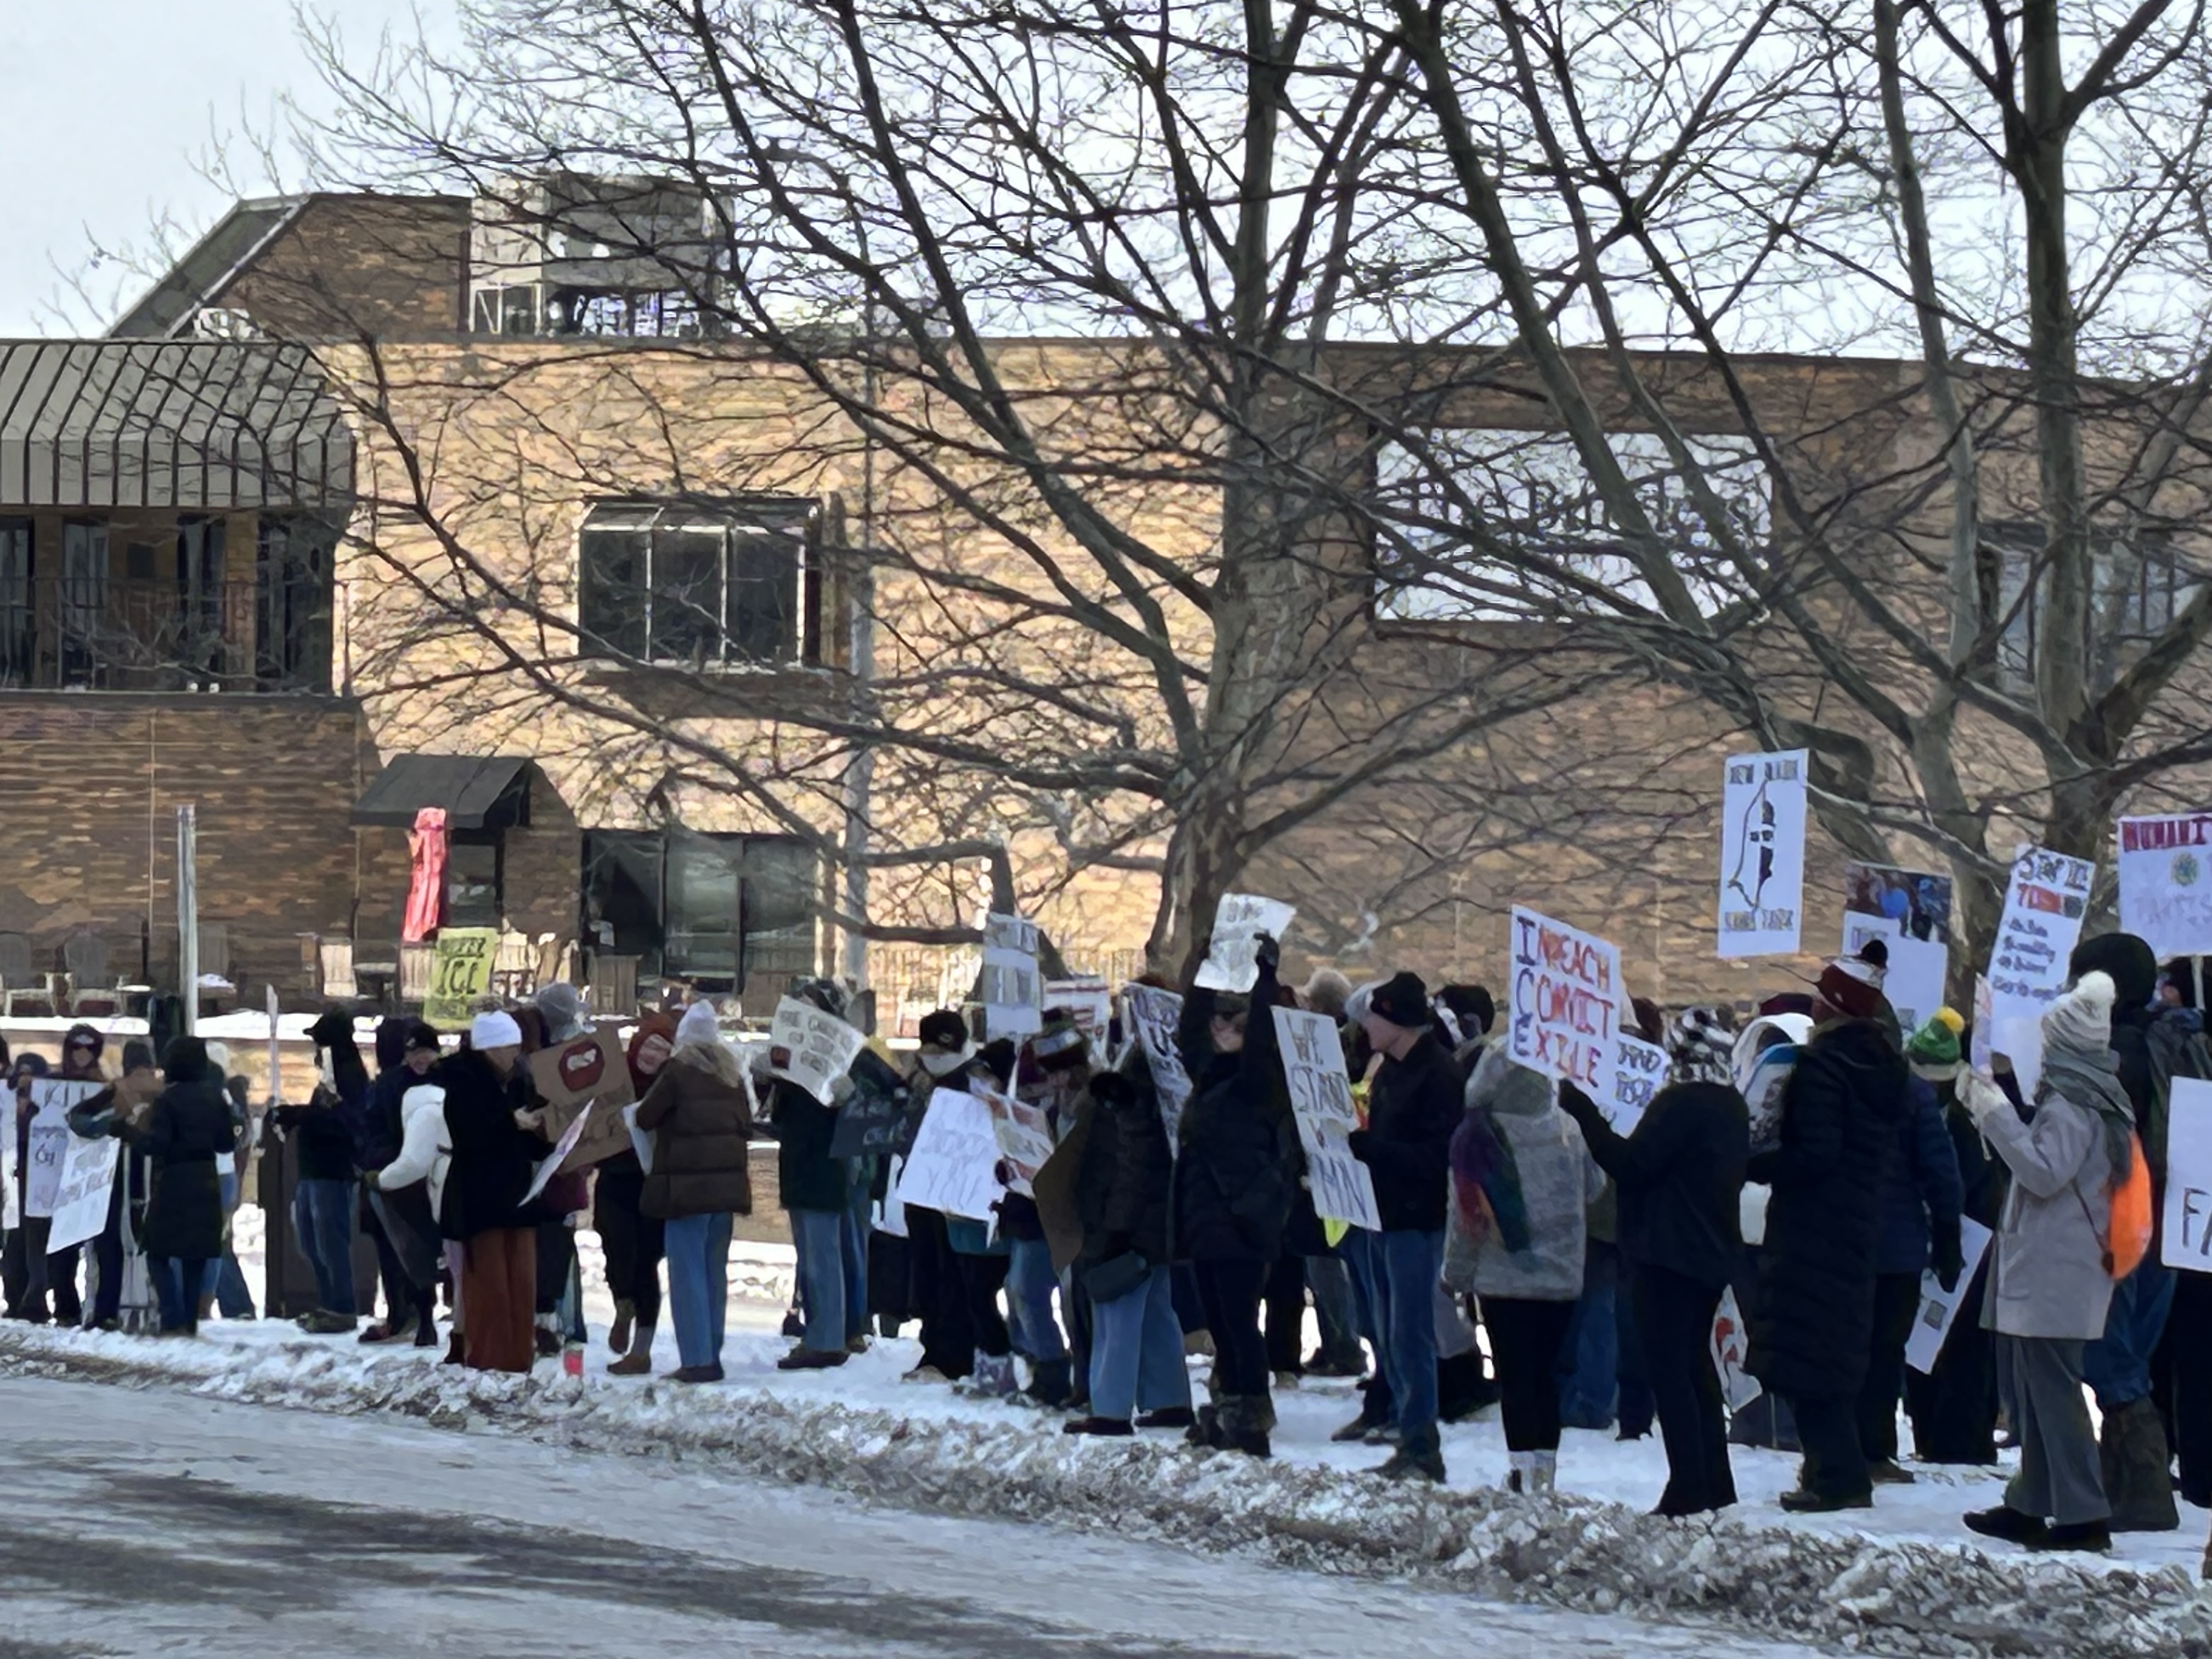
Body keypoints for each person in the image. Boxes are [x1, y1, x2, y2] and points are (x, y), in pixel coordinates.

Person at [1959, 971, 2131, 1553]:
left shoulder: (2073, 1102)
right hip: (2059, 1269)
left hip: (2058, 1271)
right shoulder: (2094, 1095)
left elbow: (2042, 1172)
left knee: (2053, 1395)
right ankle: (2030, 1503)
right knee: (2036, 1395)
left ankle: (2083, 1515)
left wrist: (1992, 1112)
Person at [1562, 1007, 1748, 1517]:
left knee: (1671, 1371)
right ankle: (1715, 1481)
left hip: (1666, 1254)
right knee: (1696, 1368)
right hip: (1710, 1252)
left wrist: (1584, 1113)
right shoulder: (1730, 1102)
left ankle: (1688, 1486)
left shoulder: (1679, 1103)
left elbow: (1632, 1166)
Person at [1748, 961, 1907, 1512]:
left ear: (1833, 1008)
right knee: (1831, 1347)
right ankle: (1826, 1468)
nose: (1813, 1007)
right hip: (1856, 1223)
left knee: (1807, 1350)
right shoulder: (1883, 1068)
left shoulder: (1822, 1069)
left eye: (1822, 1000)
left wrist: (1761, 1162)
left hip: (1812, 1227)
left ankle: (1838, 1474)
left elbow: (1815, 1155)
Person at [1448, 1046, 1601, 1494]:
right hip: (1563, 1276)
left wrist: (1456, 1273)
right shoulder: (1568, 1128)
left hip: (1503, 1278)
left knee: (1515, 1377)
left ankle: (1522, 1472)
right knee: (1546, 1376)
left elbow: (1464, 1217)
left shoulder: (1477, 1135)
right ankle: (1546, 1473)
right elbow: (1595, 1187)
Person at [2070, 932, 2181, 1532]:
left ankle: (2140, 1488)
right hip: (2172, 1220)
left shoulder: (2112, 1054)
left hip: (2120, 1218)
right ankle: (2129, 1485)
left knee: (2110, 1354)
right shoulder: (2180, 1041)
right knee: (2131, 1350)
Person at [1173, 935, 1297, 1457]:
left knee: (1241, 1323)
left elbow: (1268, 1036)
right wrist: (1205, 965)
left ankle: (1250, 1413)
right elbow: (1188, 1033)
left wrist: (1265, 976)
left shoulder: (1259, 1081)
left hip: (1243, 1219)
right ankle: (1228, 1405)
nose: (1224, 1031)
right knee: (1222, 1325)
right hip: (1205, 1218)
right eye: (1220, 1023)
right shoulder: (1208, 1075)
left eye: (1235, 1025)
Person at [1345, 969, 1463, 1481]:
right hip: (1381, 1216)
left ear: (1396, 1020)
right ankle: (1405, 1432)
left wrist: (1373, 1151)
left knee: (1410, 1332)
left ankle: (1422, 1443)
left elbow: (1439, 1156)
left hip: (1416, 1221)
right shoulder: (1390, 1069)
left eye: (1373, 1015)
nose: (1365, 1024)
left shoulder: (1437, 1074)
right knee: (1387, 1331)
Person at [1065, 1054, 1194, 1436]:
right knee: (1155, 1313)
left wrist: (1114, 1229)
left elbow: (1127, 1171)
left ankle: (1110, 1409)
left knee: (1115, 1314)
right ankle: (1170, 1399)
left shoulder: (1131, 1101)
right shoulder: (1167, 1090)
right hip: (1156, 1221)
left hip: (1125, 1223)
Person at [1861, 1020, 1965, 1484]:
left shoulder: (1833, 1087)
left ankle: (1840, 1443)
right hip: (1901, 1245)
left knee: (1846, 1345)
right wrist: (1947, 1237)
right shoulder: (1916, 1096)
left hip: (1846, 1242)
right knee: (1886, 1351)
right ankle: (1878, 1447)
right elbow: (1942, 1173)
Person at [1902, 1011, 2004, 1465]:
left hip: (1970, 1242)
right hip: (1955, 1239)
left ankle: (1958, 1441)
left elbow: (1963, 1183)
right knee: (1934, 1347)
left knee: (1958, 1348)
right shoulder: (1961, 1110)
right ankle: (1940, 1437)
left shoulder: (1968, 1118)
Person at [636, 1000, 753, 1384]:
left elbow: (645, 1116)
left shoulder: (678, 1071)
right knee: (713, 1274)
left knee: (687, 1275)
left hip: (686, 1192)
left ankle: (697, 1359)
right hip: (726, 1193)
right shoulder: (732, 1075)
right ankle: (712, 1353)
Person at [437, 1010, 548, 1374]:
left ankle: (518, 1357)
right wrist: (509, 1121)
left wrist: (545, 1136)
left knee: (522, 1282)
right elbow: (467, 1134)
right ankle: (487, 1358)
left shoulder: (518, 1081)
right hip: (479, 1196)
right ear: (489, 1048)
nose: (515, 1053)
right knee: (490, 1286)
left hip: (518, 1195)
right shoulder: (462, 1080)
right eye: (507, 1046)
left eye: (516, 1045)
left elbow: (527, 1139)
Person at [769, 984, 866, 1372]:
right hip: (797, 1164)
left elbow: (864, 1113)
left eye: (811, 1006)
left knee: (824, 1255)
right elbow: (778, 1117)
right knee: (810, 1257)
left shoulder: (845, 1055)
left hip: (825, 1167)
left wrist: (848, 1097)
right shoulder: (792, 1060)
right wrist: (768, 1076)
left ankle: (828, 1339)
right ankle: (818, 1332)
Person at [110, 1038, 232, 1336]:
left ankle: (172, 1316)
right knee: (195, 1255)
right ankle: (189, 1319)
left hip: (175, 1179)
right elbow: (226, 1142)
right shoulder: (215, 1097)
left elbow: (156, 1144)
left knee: (157, 1250)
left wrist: (129, 1132)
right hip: (207, 1179)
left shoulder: (169, 1100)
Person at [899, 1011, 982, 1384]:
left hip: (954, 1197)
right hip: (923, 1193)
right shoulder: (921, 1081)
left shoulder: (972, 1081)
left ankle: (953, 1354)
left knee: (953, 1276)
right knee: (928, 1273)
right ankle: (934, 1345)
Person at [278, 1007, 369, 1334]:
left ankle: (341, 1307)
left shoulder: (350, 1075)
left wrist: (303, 1117)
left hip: (333, 1171)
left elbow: (349, 1123)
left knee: (330, 1242)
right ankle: (328, 1302)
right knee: (311, 1241)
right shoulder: (331, 1075)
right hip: (314, 1169)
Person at [600, 1012, 675, 1376]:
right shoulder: (614, 1077)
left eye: (662, 1049)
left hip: (650, 1184)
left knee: (646, 1262)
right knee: (615, 1252)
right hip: (613, 1178)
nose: (652, 1055)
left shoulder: (670, 1083)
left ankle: (641, 1350)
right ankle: (622, 1304)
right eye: (649, 1045)